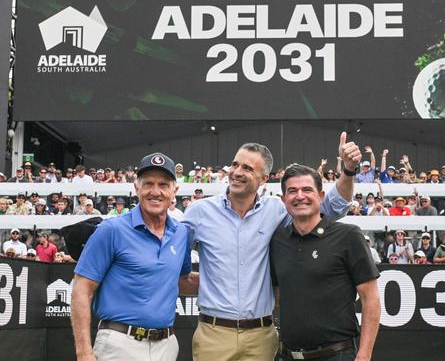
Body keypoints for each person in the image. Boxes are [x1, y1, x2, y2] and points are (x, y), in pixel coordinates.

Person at [183, 133, 359, 361]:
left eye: (247, 168)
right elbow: (171, 257)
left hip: (262, 337)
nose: (236, 172)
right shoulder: (199, 212)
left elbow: (332, 206)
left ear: (264, 178)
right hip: (213, 335)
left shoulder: (276, 210)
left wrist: (348, 170)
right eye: (235, 164)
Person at [71, 153, 198, 361]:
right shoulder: (111, 229)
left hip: (166, 346)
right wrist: (84, 353)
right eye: (148, 184)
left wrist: (230, 282)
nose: (155, 192)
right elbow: (82, 288)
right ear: (136, 188)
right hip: (119, 344)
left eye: (163, 184)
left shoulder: (181, 234)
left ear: (175, 190)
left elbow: (182, 282)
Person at [270, 164, 380, 361]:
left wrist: (364, 354)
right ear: (283, 199)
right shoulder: (277, 240)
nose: (300, 196)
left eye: (307, 189)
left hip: (337, 355)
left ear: (321, 196)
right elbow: (277, 294)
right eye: (292, 191)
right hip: (287, 355)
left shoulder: (348, 236)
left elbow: (370, 298)